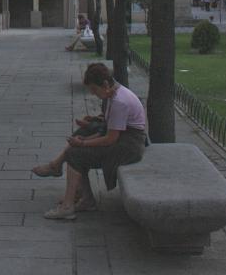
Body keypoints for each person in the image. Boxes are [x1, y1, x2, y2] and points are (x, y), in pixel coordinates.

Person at [32, 62, 146, 220]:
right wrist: (84, 137)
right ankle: (83, 197)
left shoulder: (119, 101)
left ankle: (67, 206)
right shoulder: (113, 93)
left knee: (75, 153)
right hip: (124, 138)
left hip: (129, 146)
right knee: (80, 139)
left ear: (105, 84)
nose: (93, 94)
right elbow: (108, 128)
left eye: (94, 89)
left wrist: (83, 143)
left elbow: (110, 138)